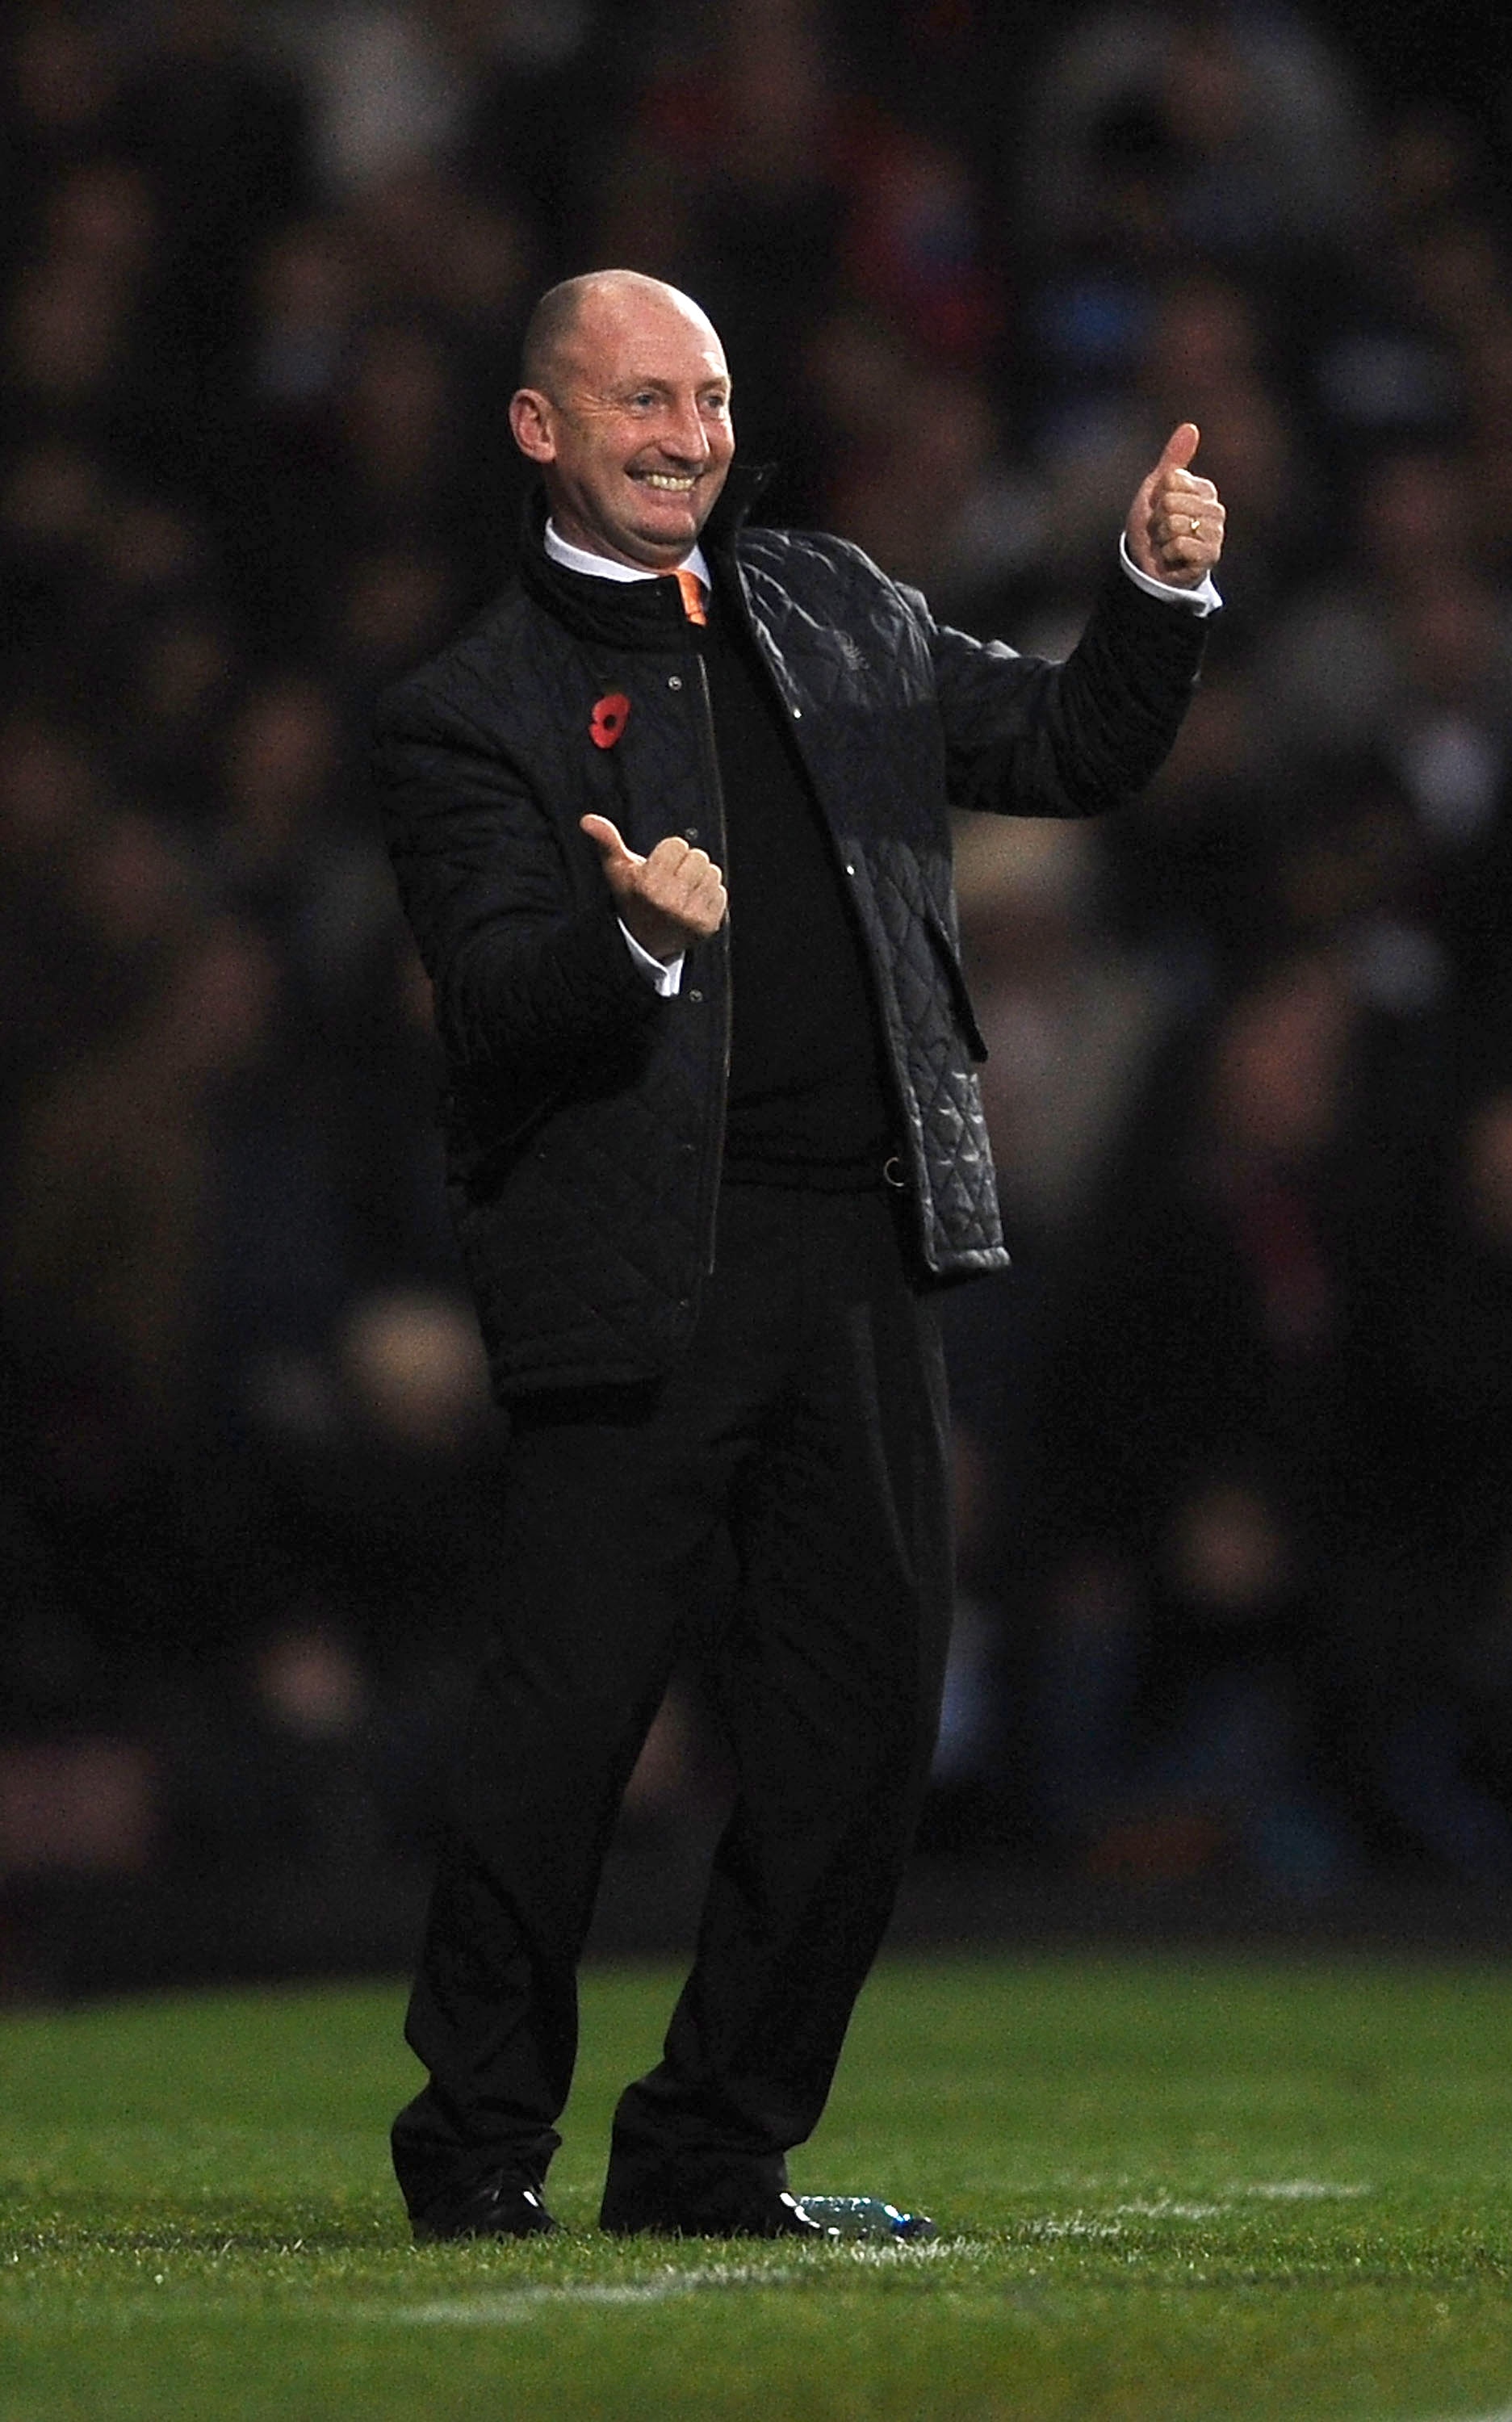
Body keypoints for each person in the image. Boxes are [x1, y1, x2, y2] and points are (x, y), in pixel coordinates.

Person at [372, 268, 1224, 2243]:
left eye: (710, 400)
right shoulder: (469, 709)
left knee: (862, 1726)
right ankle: (473, 2149)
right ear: (539, 429)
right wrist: (633, 941)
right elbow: (493, 1002)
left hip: (858, 1251)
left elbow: (1068, 748)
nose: (688, 438)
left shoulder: (830, 603)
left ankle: (712, 2151)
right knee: (565, 1731)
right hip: (629, 1269)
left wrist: (1155, 591)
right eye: (643, 403)